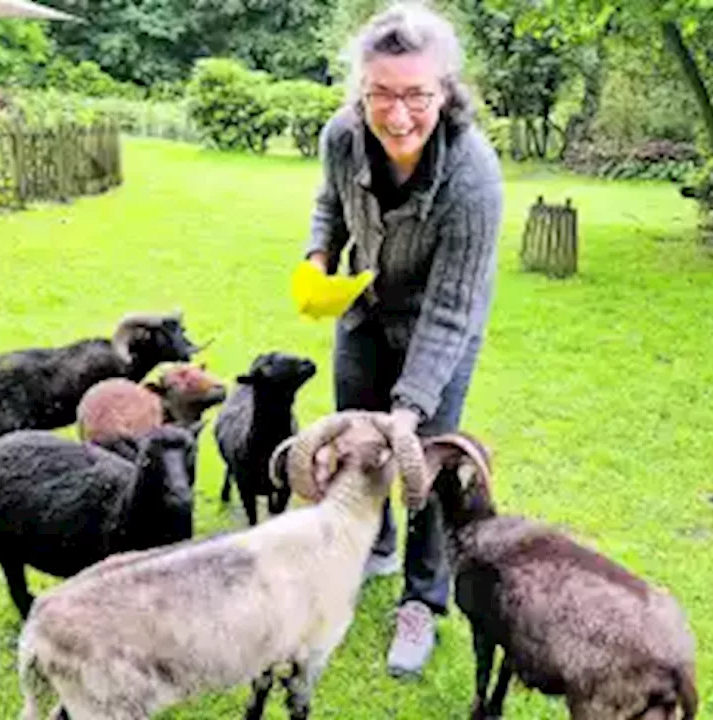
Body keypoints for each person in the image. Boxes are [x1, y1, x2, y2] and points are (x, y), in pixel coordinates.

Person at [301, 2, 504, 678]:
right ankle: (371, 547)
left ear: (445, 92)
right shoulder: (341, 136)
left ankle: (422, 599)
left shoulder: (473, 178)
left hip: (439, 323)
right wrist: (319, 256)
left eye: (416, 94)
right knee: (359, 444)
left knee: (426, 462)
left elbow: (451, 310)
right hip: (362, 307)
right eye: (380, 93)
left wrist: (411, 410)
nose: (397, 114)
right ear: (360, 91)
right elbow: (329, 202)